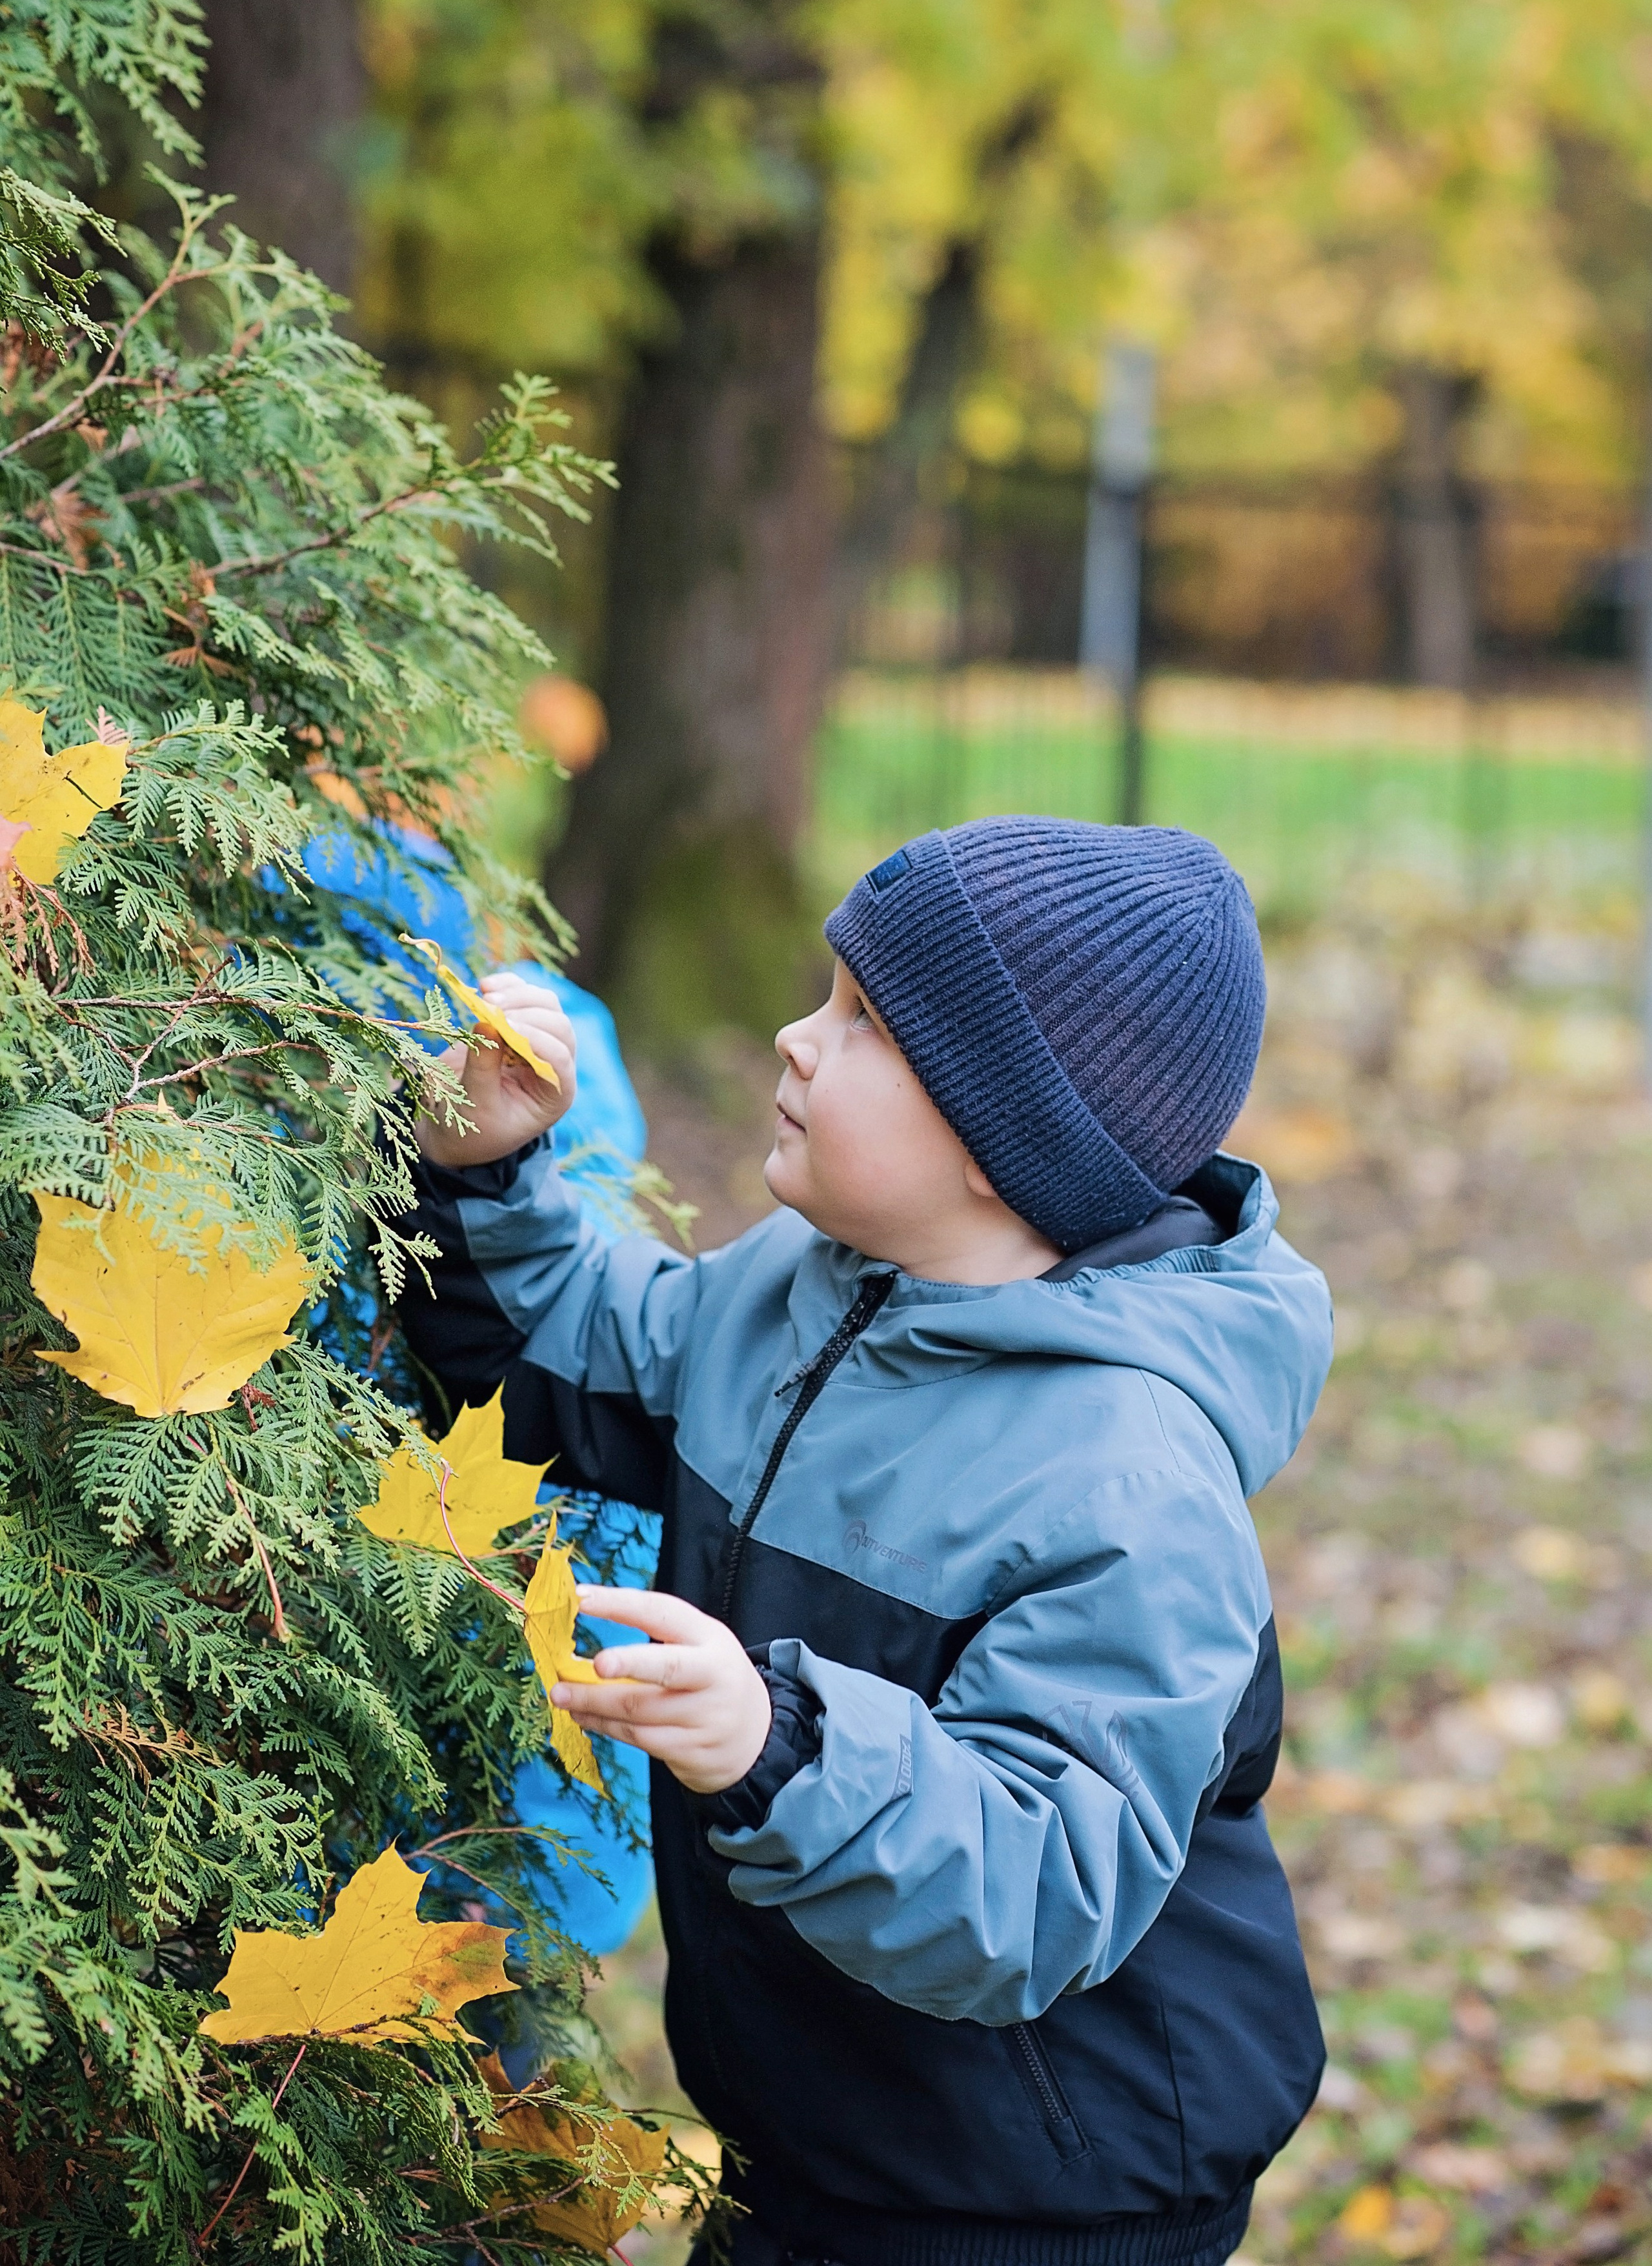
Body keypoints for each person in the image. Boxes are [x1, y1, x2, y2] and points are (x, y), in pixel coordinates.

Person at [395, 816, 1335, 2266]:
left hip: (1039, 2194)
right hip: (813, 2135)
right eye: (824, 995)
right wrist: (483, 1173)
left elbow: (1035, 1889)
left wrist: (778, 1741)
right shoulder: (814, 1289)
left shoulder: (1125, 1483)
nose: (793, 1038)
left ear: (1002, 1137)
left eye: (864, 1026)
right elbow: (572, 1362)